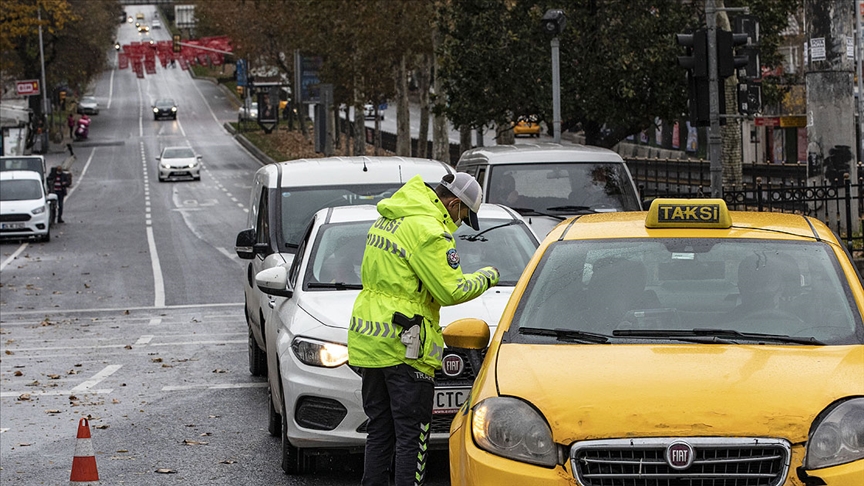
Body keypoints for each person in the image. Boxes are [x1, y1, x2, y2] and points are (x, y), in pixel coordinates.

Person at [348, 172, 500, 486]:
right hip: (405, 345)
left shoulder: (390, 218)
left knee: (380, 428)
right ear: (455, 203)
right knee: (413, 435)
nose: (460, 223)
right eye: (463, 216)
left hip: (371, 342)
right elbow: (451, 291)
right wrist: (488, 275)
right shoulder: (430, 230)